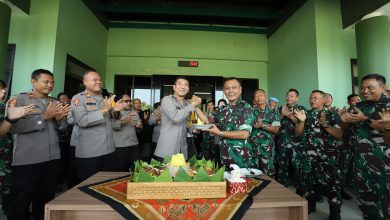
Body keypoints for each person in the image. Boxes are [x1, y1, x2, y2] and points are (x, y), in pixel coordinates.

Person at [7, 69, 71, 220]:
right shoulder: (19, 100)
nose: (50, 85)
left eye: (52, 82)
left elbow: (62, 128)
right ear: (33, 82)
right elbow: (13, 128)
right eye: (46, 82)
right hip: (28, 159)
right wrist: (44, 117)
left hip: (51, 158)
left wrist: (59, 120)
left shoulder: (54, 101)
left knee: (45, 200)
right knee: (20, 202)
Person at [340, 74, 389, 220]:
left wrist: (364, 119)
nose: (365, 91)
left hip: (385, 165)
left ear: (383, 88)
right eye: (362, 88)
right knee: (366, 203)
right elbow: (346, 128)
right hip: (362, 162)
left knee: (386, 205)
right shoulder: (359, 106)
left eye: (370, 87)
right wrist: (344, 121)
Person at [294, 90, 343, 220]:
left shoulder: (332, 115)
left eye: (316, 98)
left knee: (332, 184)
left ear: (323, 100)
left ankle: (335, 210)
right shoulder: (305, 114)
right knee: (309, 182)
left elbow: (339, 134)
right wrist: (302, 121)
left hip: (328, 157)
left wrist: (325, 125)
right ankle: (311, 205)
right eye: (311, 98)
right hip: (309, 156)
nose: (312, 100)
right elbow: (298, 133)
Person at [71, 70, 124, 182]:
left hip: (109, 150)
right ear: (85, 82)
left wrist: (117, 111)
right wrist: (104, 109)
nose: (99, 82)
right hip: (90, 152)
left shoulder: (103, 98)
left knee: (107, 184)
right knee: (89, 185)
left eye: (100, 80)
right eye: (95, 80)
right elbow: (82, 121)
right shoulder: (77, 99)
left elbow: (112, 118)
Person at [206, 77, 256, 168]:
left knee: (240, 182)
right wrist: (195, 106)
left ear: (240, 90)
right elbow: (208, 120)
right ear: (224, 91)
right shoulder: (224, 109)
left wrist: (219, 133)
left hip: (241, 159)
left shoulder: (246, 107)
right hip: (225, 157)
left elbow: (244, 134)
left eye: (234, 87)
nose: (230, 90)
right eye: (227, 88)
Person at [154, 76, 205, 160]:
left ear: (188, 88)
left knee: (182, 173)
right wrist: (193, 105)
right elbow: (176, 118)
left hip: (182, 150)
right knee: (166, 173)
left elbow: (188, 123)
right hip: (167, 150)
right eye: (179, 84)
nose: (183, 87)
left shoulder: (187, 105)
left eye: (186, 85)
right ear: (174, 87)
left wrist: (194, 130)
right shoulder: (167, 100)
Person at [275, 88, 306, 190]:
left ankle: (301, 191)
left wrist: (289, 116)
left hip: (296, 144)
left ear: (297, 98)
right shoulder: (280, 109)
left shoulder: (301, 109)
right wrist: (281, 115)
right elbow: (275, 124)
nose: (288, 98)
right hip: (282, 143)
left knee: (298, 168)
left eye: (292, 96)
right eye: (287, 95)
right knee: (281, 168)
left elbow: (302, 124)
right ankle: (282, 190)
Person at [250, 89, 280, 177]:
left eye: (261, 95)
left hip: (267, 149)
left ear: (266, 97)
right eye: (256, 96)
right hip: (252, 148)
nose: (258, 97)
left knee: (269, 174)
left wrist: (263, 125)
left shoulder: (273, 111)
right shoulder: (251, 111)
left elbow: (276, 130)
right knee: (253, 173)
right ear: (254, 98)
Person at [338, 93, 361, 200]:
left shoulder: (364, 112)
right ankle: (341, 190)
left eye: (358, 99)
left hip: (360, 146)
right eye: (353, 100)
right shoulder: (347, 113)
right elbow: (345, 128)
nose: (357, 102)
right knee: (344, 169)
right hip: (347, 145)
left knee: (356, 168)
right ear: (349, 102)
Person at [112, 94, 142, 171]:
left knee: (137, 169)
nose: (129, 103)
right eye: (126, 101)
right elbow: (114, 126)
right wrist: (126, 120)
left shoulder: (134, 112)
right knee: (121, 170)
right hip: (120, 146)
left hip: (134, 144)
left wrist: (139, 126)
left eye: (130, 101)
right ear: (120, 102)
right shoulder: (114, 111)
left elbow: (139, 127)